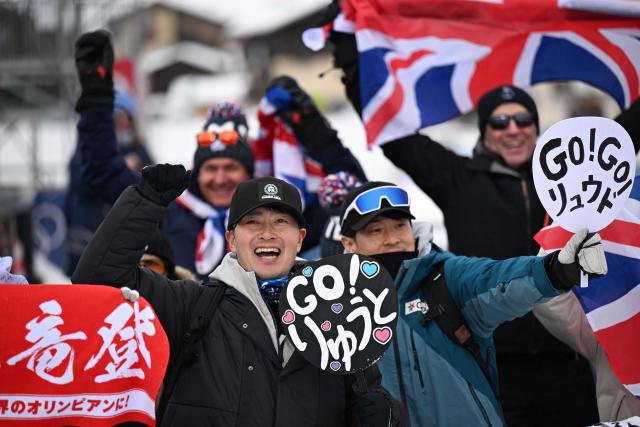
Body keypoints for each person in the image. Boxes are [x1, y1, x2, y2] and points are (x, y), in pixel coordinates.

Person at [328, 25, 640, 426]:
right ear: (484, 133)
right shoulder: (458, 180)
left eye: (523, 119)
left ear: (536, 126)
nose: (513, 129)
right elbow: (394, 133)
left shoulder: (574, 176)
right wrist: (353, 57)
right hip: (495, 364)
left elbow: (618, 137)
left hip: (567, 364)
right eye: (499, 122)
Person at [72, 164, 406, 427]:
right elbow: (97, 279)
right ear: (232, 239)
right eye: (252, 222)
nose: (267, 233)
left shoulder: (339, 315)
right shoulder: (192, 306)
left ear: (301, 238)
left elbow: (367, 396)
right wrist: (145, 202)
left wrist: (381, 412)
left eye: (281, 221)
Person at [338, 180, 608, 427]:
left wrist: (555, 271)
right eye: (375, 230)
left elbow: (496, 280)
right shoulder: (334, 309)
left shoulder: (445, 278)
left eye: (400, 225)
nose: (392, 238)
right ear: (349, 243)